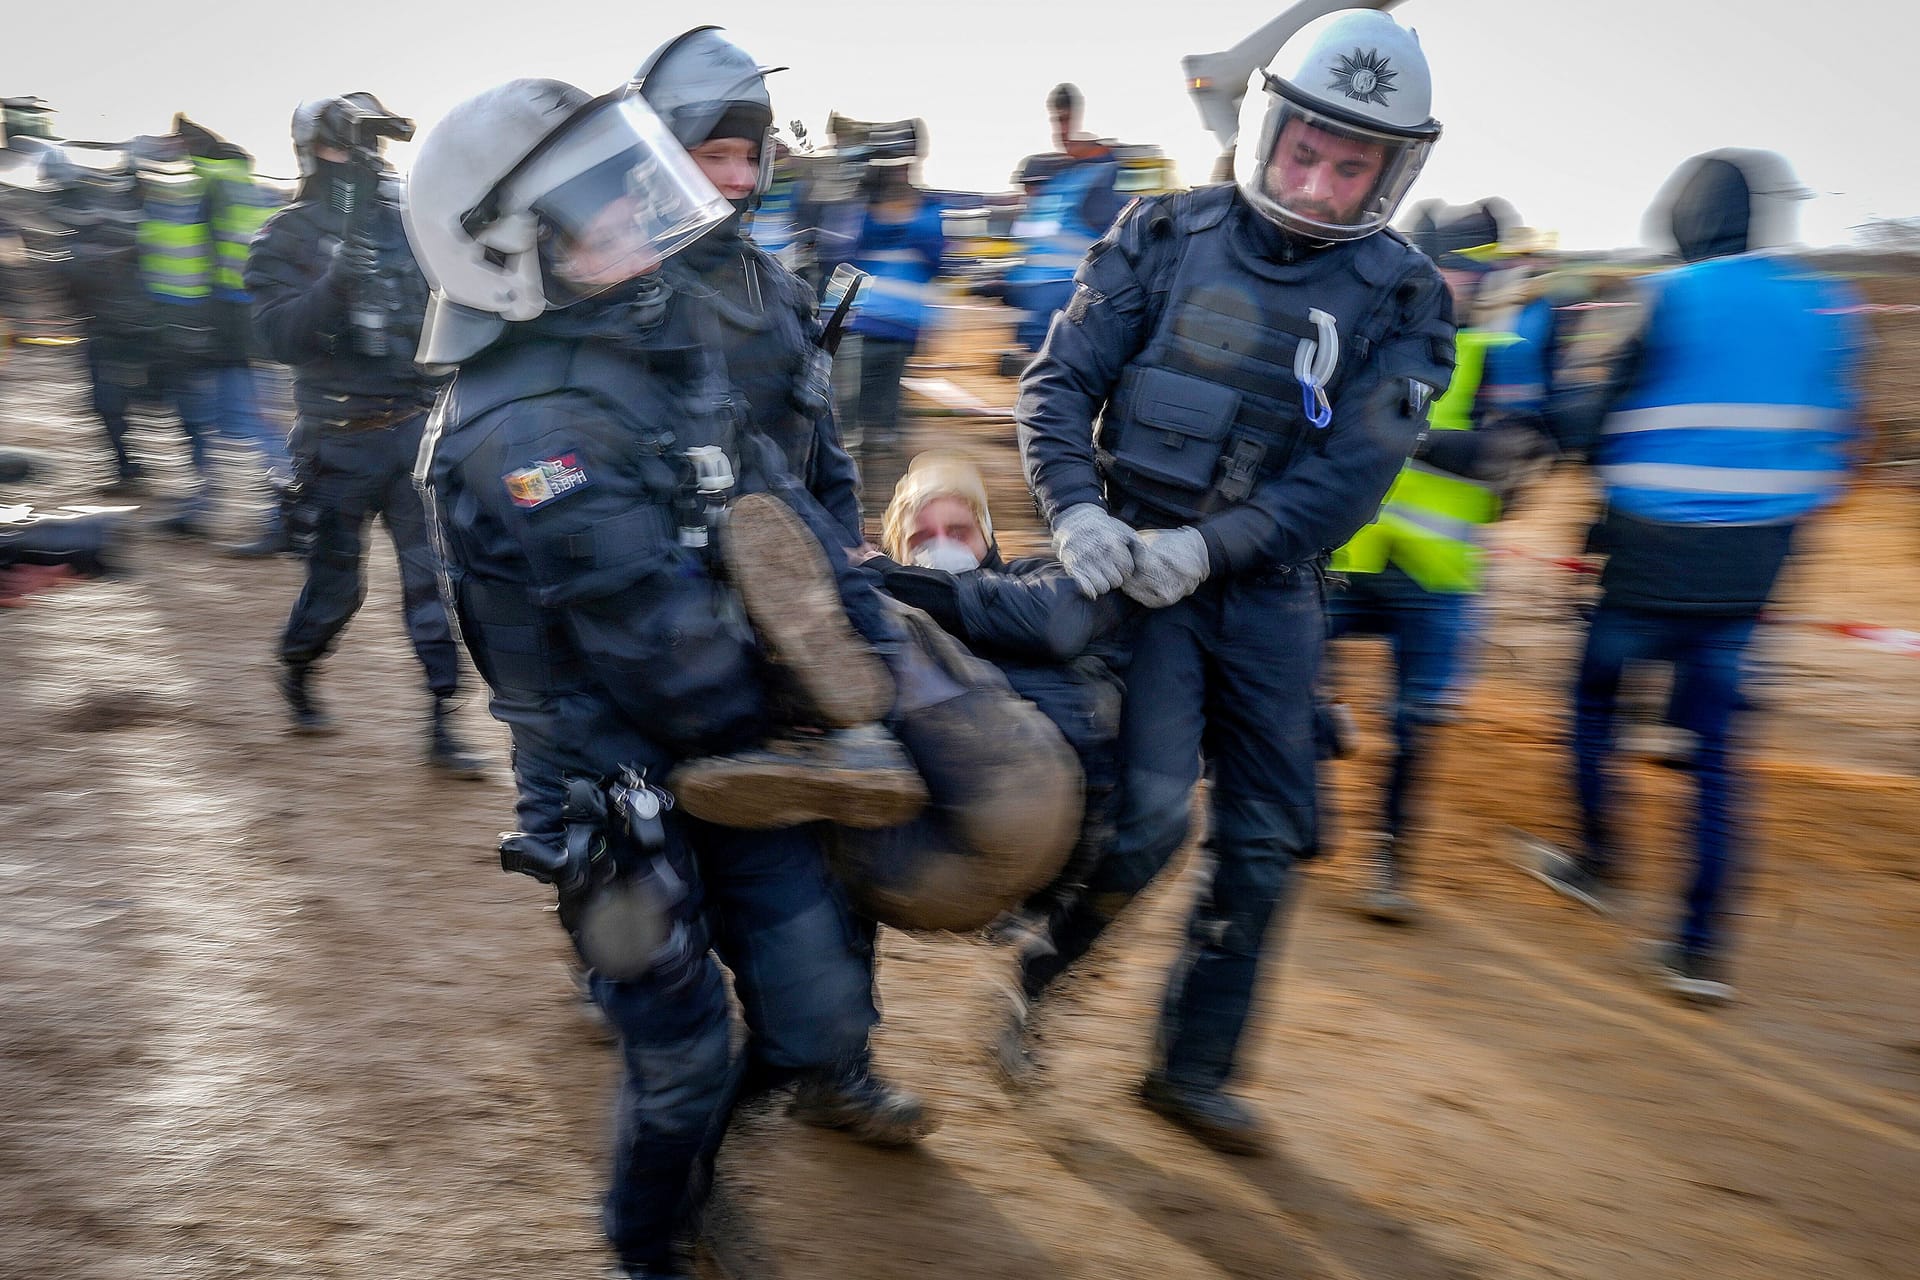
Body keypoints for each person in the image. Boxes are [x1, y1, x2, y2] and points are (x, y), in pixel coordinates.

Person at [404, 78, 935, 1279]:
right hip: (613, 789)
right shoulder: (526, 430)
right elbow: (672, 655)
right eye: (604, 212)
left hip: (746, 750)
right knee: (684, 1053)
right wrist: (832, 722)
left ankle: (696, 1166)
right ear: (508, 255)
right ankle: (653, 1240)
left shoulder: (656, 331)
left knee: (816, 1020)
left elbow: (787, 509)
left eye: (634, 189)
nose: (644, 221)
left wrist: (874, 645)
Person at [1014, 8, 1454, 1154]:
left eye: (1350, 165)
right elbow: (1058, 384)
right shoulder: (1162, 233)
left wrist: (1214, 547)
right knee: (1153, 819)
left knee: (1266, 842)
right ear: (1266, 126)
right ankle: (1038, 978)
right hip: (1138, 581)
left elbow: (1354, 478)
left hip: (1265, 595)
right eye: (1304, 148)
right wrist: (1076, 511)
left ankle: (1190, 1068)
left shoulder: (1406, 301)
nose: (1316, 180)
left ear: (1392, 172)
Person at [1522, 150, 1865, 1006]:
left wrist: (1555, 399)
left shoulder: (1666, 298)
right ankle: (1700, 952)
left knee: (1594, 702)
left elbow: (1591, 429)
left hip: (1645, 562)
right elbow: (1834, 452)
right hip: (1751, 576)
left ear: (1684, 219)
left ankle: (1598, 862)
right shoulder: (1827, 307)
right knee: (1719, 759)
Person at [1325, 198, 1555, 923]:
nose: (1468, 287)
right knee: (1291, 684)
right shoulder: (1370, 339)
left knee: (1415, 724)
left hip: (1437, 577)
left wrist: (1406, 435)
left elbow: (1505, 455)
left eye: (1471, 274)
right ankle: (1303, 811)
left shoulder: (1500, 357)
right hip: (1350, 558)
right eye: (1455, 272)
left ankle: (1389, 861)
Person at [245, 92, 485, 775]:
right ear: (309, 151)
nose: (356, 159)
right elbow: (277, 336)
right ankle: (297, 665)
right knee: (335, 588)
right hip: (335, 441)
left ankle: (443, 722)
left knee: (433, 586)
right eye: (339, 144)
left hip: (414, 436)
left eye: (366, 144)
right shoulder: (283, 235)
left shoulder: (410, 224)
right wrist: (337, 283)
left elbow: (460, 313)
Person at [631, 26, 863, 544]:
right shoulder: (619, 298)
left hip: (793, 571)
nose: (739, 178)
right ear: (658, 158)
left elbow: (826, 451)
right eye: (716, 156)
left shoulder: (782, 293)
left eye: (750, 156)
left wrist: (848, 551)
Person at [840, 138, 946, 473]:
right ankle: (873, 459)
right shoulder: (916, 211)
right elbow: (937, 259)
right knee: (871, 402)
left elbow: (936, 257)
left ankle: (875, 461)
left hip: (886, 320)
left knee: (874, 400)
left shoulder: (871, 212)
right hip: (880, 319)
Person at [1004, 84, 1127, 353]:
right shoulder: (1065, 186)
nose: (1061, 134)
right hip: (1050, 301)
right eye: (1057, 120)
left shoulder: (1089, 182)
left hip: (1064, 299)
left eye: (1064, 120)